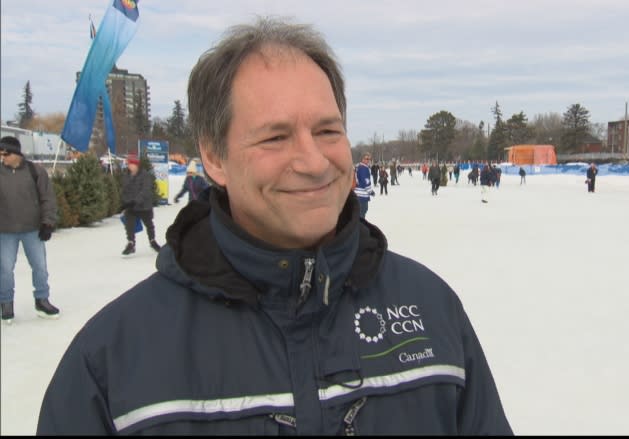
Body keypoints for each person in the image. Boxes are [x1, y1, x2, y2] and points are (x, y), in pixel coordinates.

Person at [37, 17, 511, 436]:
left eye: (327, 130)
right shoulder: (115, 360)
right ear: (215, 158)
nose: (313, 161)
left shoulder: (432, 309)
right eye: (275, 137)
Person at [0, 136, 60, 323]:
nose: (3, 158)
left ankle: (42, 300)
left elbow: (47, 198)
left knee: (40, 267)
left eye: (6, 154)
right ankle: (6, 303)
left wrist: (48, 223)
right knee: (5, 269)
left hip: (32, 229)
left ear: (16, 153)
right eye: (0, 154)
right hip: (5, 230)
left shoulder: (36, 171)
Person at [119, 154, 161, 255]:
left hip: (144, 206)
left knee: (149, 224)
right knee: (129, 225)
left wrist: (135, 201)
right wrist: (125, 202)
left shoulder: (145, 175)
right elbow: (124, 190)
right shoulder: (126, 176)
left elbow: (145, 190)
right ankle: (131, 243)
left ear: (137, 165)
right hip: (131, 206)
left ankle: (152, 241)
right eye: (129, 164)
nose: (130, 166)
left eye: (132, 164)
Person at [354, 153, 374, 218]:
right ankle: (359, 227)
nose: (368, 160)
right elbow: (365, 181)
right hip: (362, 195)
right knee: (362, 213)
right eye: (366, 159)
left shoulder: (359, 167)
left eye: (369, 159)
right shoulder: (364, 168)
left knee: (359, 213)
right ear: (362, 159)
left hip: (357, 194)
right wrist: (370, 191)